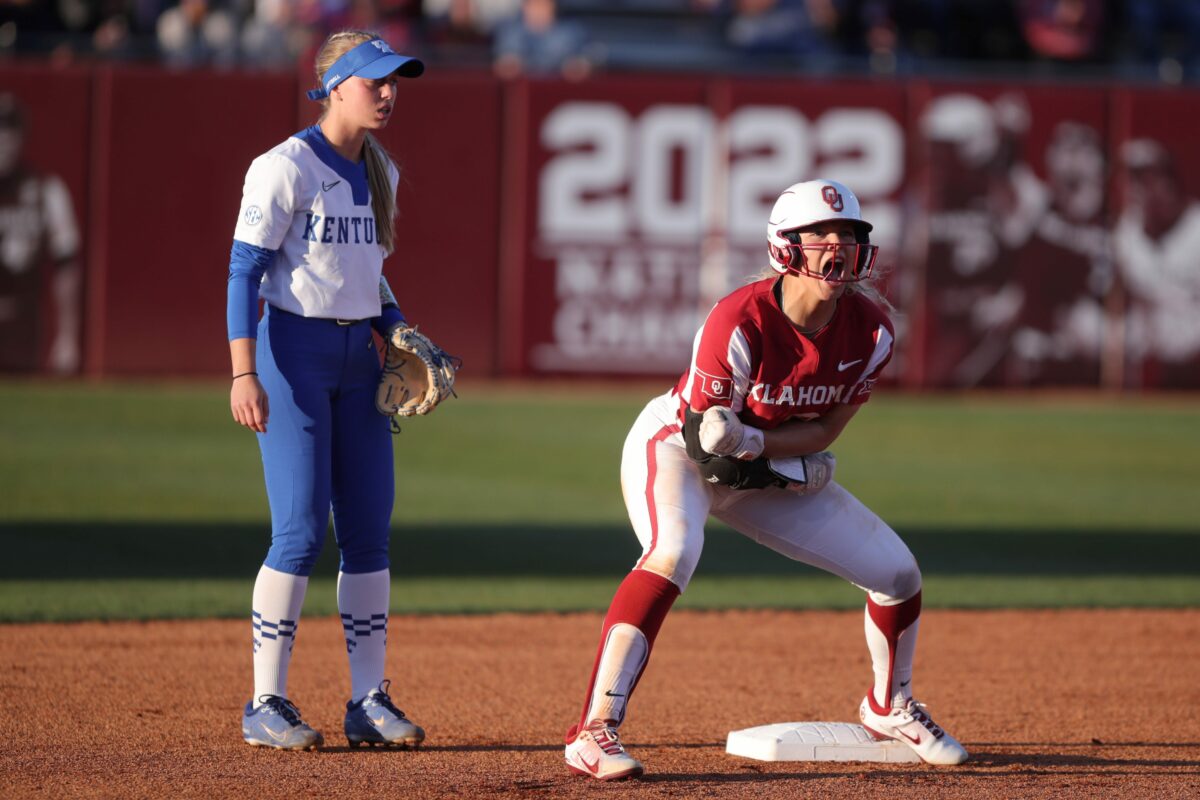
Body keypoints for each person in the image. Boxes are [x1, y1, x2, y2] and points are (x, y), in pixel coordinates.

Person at [562, 179, 968, 781]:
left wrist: (770, 450)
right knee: (673, 552)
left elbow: (824, 429)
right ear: (785, 247)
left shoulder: (874, 331)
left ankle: (890, 706)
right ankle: (592, 731)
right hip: (677, 449)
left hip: (753, 456)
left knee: (898, 574)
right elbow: (710, 449)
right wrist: (778, 464)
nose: (839, 245)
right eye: (821, 235)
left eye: (850, 234)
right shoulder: (740, 318)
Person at [227, 29, 428, 751]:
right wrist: (243, 371)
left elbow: (367, 274)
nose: (387, 92)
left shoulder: (382, 172)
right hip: (294, 355)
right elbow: (243, 272)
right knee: (301, 531)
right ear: (335, 84)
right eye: (375, 80)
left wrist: (398, 327)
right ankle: (265, 702)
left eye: (394, 81)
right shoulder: (284, 167)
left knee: (369, 532)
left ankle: (366, 702)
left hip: (357, 360)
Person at [0, 93, 81, 375]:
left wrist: (67, 336)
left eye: (10, 132)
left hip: (24, 325)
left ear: (22, 138)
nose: (4, 142)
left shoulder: (45, 189)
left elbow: (66, 265)